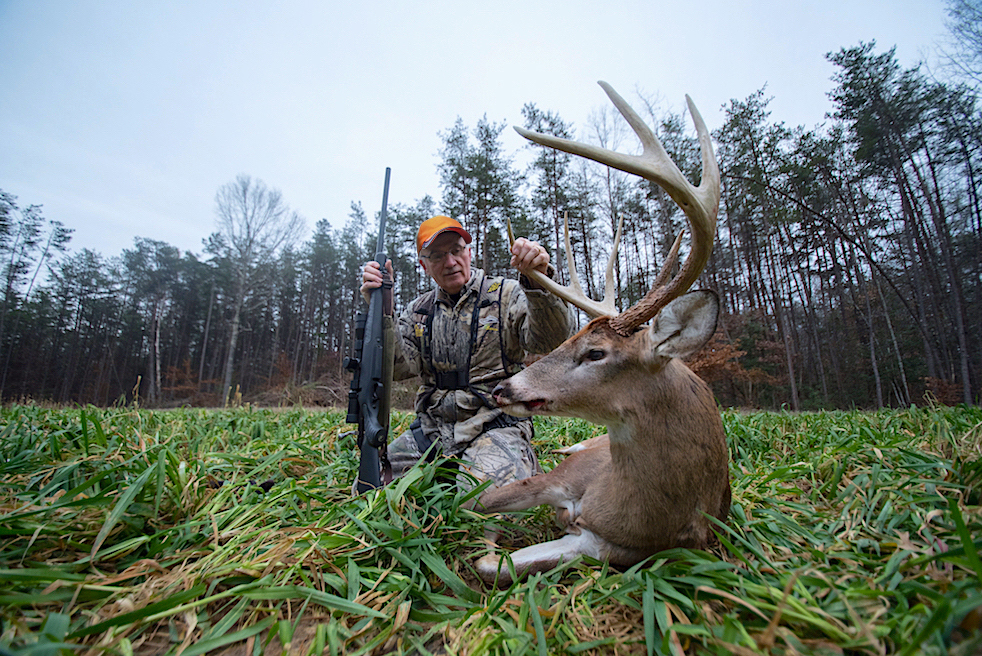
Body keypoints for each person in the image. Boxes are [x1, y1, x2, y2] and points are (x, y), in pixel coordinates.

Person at [360, 215, 573, 490]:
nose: (450, 262)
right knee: (370, 487)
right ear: (424, 266)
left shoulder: (505, 295)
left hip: (496, 424)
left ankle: (515, 458)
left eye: (456, 250)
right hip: (433, 429)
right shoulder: (418, 312)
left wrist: (538, 283)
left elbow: (550, 340)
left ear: (469, 252)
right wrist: (382, 310)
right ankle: (453, 467)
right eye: (437, 256)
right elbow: (398, 369)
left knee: (481, 500)